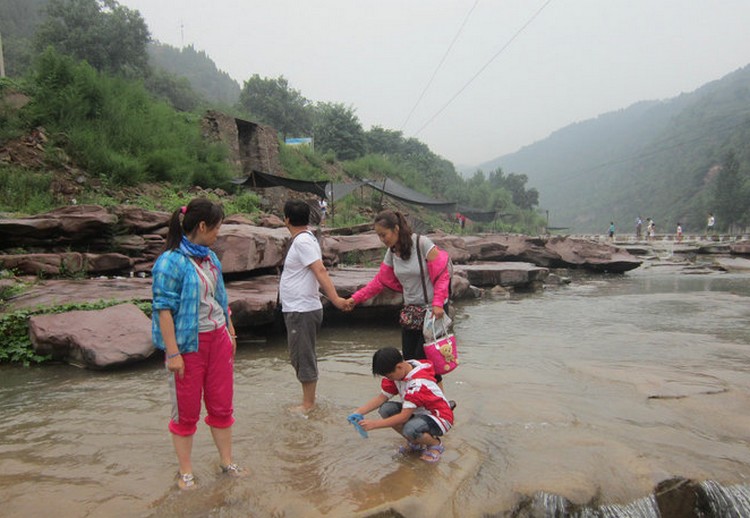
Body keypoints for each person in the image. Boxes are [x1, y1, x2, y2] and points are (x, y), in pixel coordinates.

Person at [151, 198, 244, 490]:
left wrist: (230, 332)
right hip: (187, 346)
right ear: (202, 226)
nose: (219, 233)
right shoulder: (169, 262)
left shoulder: (210, 258)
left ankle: (227, 463)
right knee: (186, 412)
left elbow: (220, 299)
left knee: (221, 405)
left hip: (217, 340)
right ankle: (186, 473)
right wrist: (173, 353)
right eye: (217, 228)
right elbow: (163, 309)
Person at [344, 210, 452, 381]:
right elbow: (379, 281)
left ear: (396, 229)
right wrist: (355, 298)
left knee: (425, 361)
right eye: (379, 236)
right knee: (409, 361)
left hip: (433, 311)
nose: (382, 240)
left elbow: (442, 273)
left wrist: (439, 303)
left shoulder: (421, 243)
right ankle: (428, 402)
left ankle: (435, 404)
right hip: (411, 312)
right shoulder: (392, 252)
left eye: (384, 234)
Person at [280, 199, 347, 413]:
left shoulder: (302, 242)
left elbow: (320, 270)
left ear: (286, 220)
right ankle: (309, 399)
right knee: (300, 354)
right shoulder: (305, 239)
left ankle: (308, 405)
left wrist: (335, 299)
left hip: (302, 309)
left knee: (303, 354)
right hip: (298, 308)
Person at [350, 347, 453, 463]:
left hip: (439, 417)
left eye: (389, 376)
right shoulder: (403, 370)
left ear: (399, 367)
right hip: (418, 413)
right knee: (386, 409)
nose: (389, 379)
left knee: (410, 429)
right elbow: (381, 398)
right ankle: (415, 442)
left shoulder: (417, 384)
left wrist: (374, 424)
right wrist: (358, 412)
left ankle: (435, 445)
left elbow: (403, 417)